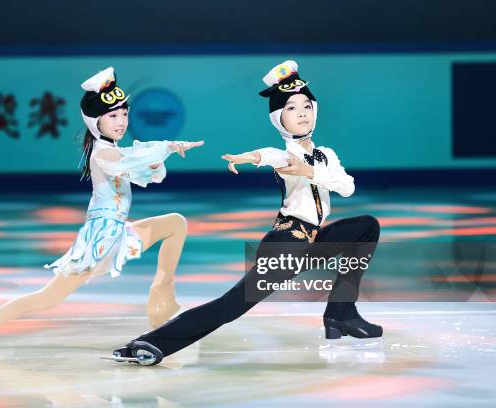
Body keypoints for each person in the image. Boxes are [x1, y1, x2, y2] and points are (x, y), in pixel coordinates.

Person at [107, 60, 382, 366]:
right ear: (279, 119)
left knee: (366, 226)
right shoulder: (286, 155)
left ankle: (341, 312)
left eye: (306, 105)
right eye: (291, 108)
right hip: (286, 245)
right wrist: (253, 157)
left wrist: (310, 170)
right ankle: (149, 344)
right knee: (231, 306)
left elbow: (347, 187)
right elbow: (270, 155)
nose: (302, 112)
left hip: (312, 241)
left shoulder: (325, 155)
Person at [0, 67, 203, 348]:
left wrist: (158, 157)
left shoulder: (114, 149)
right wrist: (167, 146)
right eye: (113, 116)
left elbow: (141, 170)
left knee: (175, 224)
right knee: (47, 298)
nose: (121, 121)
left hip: (120, 233)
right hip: (98, 242)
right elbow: (125, 162)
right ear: (95, 121)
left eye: (124, 114)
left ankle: (162, 305)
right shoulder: (103, 152)